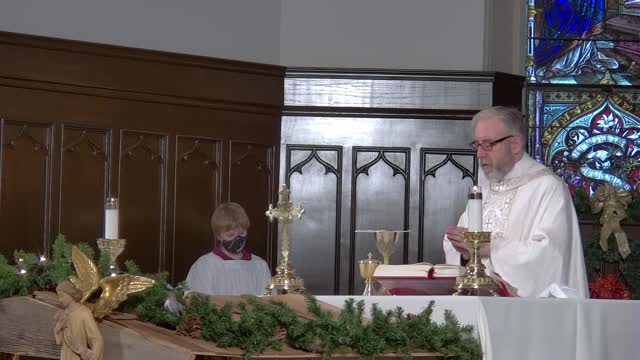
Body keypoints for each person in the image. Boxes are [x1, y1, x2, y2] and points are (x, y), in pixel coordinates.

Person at [443, 106, 589, 298]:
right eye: (477, 145)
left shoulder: (548, 188)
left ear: (515, 145)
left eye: (487, 144)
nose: (479, 154)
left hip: (529, 315)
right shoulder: (485, 190)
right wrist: (464, 251)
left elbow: (549, 257)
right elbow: (463, 245)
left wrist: (491, 248)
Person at [185, 202, 271, 296]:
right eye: (230, 235)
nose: (237, 239)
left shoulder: (259, 265)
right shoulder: (205, 265)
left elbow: (267, 301)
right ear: (218, 236)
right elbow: (199, 303)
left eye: (241, 233)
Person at [54, 280, 104, 360]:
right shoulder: (65, 314)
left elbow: (96, 339)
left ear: (70, 294)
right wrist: (58, 329)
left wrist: (94, 356)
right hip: (65, 356)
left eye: (61, 296)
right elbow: (60, 341)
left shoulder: (84, 312)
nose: (60, 300)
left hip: (78, 357)